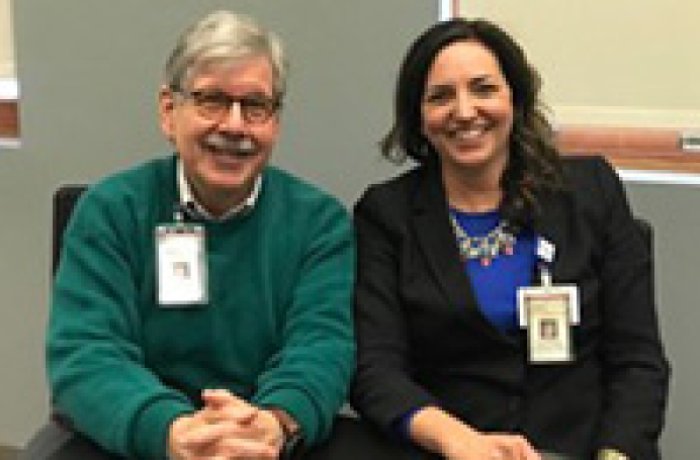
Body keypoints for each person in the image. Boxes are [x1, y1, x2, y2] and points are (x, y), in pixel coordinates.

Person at [350, 18, 669, 460]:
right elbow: (376, 371)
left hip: (584, 449)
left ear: (515, 99)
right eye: (441, 97)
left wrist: (614, 454)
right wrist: (456, 442)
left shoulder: (590, 190)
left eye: (483, 89)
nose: (464, 112)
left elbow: (637, 362)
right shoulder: (388, 215)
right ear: (419, 119)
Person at [46, 10, 355, 460]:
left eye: (255, 106)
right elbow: (87, 353)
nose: (234, 126)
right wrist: (174, 432)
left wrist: (273, 422)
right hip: (144, 441)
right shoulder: (110, 211)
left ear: (275, 122)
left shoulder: (319, 223)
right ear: (169, 112)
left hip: (266, 443)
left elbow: (322, 346)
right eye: (212, 100)